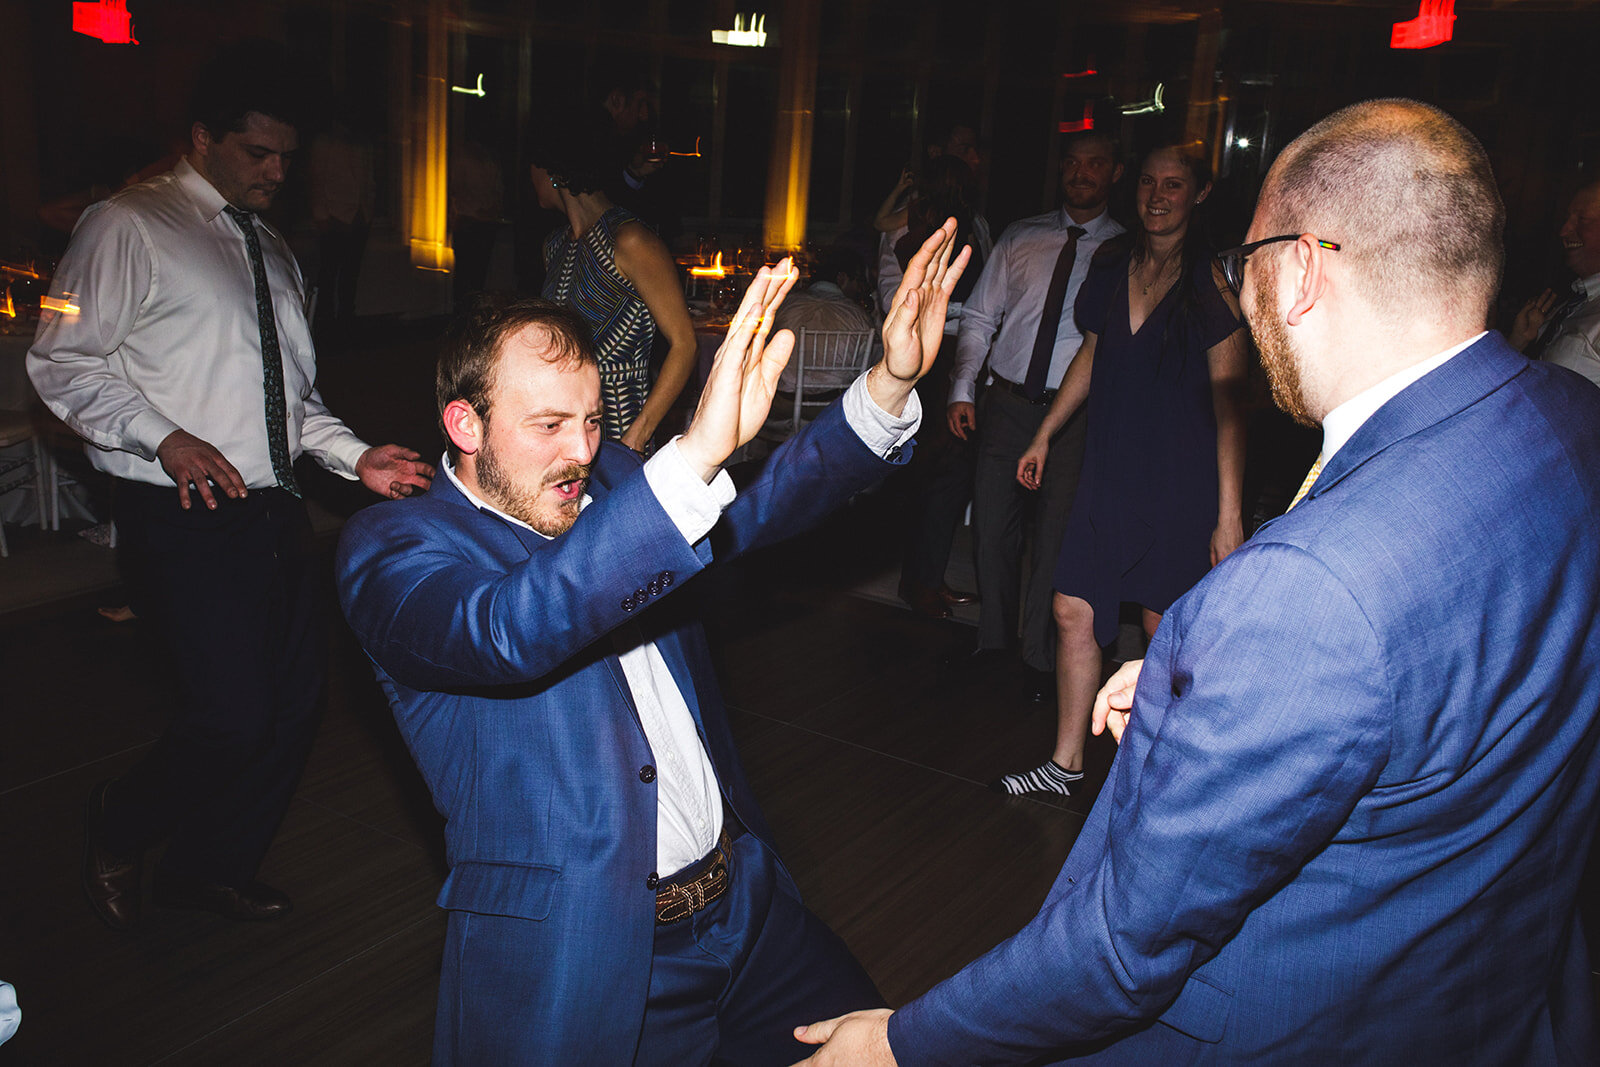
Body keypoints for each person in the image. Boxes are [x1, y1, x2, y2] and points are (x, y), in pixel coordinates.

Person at [794, 98, 1600, 1065]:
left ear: (1300, 269)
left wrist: (903, 1040)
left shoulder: (1307, 592)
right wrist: (1223, 689)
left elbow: (1121, 950)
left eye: (1245, 265)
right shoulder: (1571, 419)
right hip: (1491, 991)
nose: (1240, 294)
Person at [336, 225, 970, 1064]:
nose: (581, 451)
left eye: (594, 421)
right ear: (465, 423)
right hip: (595, 956)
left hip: (748, 911)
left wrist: (888, 383)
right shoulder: (393, 549)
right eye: (549, 424)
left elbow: (761, 508)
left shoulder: (617, 484)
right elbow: (509, 629)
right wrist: (699, 448)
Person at [28, 45, 433, 931]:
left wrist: (355, 456)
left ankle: (206, 870)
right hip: (177, 511)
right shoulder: (127, 223)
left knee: (292, 709)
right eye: (259, 153)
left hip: (274, 507)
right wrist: (162, 436)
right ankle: (120, 820)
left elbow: (290, 401)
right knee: (233, 711)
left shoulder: (273, 248)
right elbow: (61, 361)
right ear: (204, 138)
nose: (278, 172)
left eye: (289, 157)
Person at [995, 144, 1246, 796]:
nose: (1157, 196)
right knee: (1072, 608)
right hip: (1107, 473)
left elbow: (1229, 406)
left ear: (1199, 194)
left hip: (1179, 484)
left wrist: (1228, 515)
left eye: (1174, 184)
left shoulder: (1213, 281)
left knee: (1165, 633)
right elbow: (1090, 356)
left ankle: (1157, 785)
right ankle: (1065, 764)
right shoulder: (1111, 263)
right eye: (1149, 183)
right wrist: (1046, 434)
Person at [949, 131, 1124, 695]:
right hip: (1005, 404)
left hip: (1075, 418)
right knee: (992, 530)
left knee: (1056, 537)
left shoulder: (1125, 250)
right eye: (1072, 163)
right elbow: (979, 317)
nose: (1081, 174)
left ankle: (1039, 659)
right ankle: (992, 643)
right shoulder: (1022, 236)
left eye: (1094, 164)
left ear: (1114, 174)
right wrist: (962, 389)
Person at [532, 108, 697, 452]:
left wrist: (633, 440)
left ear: (553, 172)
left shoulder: (631, 241)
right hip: (563, 428)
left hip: (618, 427)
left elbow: (685, 344)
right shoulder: (556, 246)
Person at [1508, 179, 1600, 387]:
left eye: (1582, 219)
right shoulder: (1570, 303)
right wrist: (1519, 342)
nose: (1564, 230)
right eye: (1568, 218)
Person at [770, 244, 878, 398]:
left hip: (782, 401)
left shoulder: (784, 305)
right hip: (833, 405)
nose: (859, 288)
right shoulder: (858, 316)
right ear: (842, 278)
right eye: (857, 281)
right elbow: (868, 367)